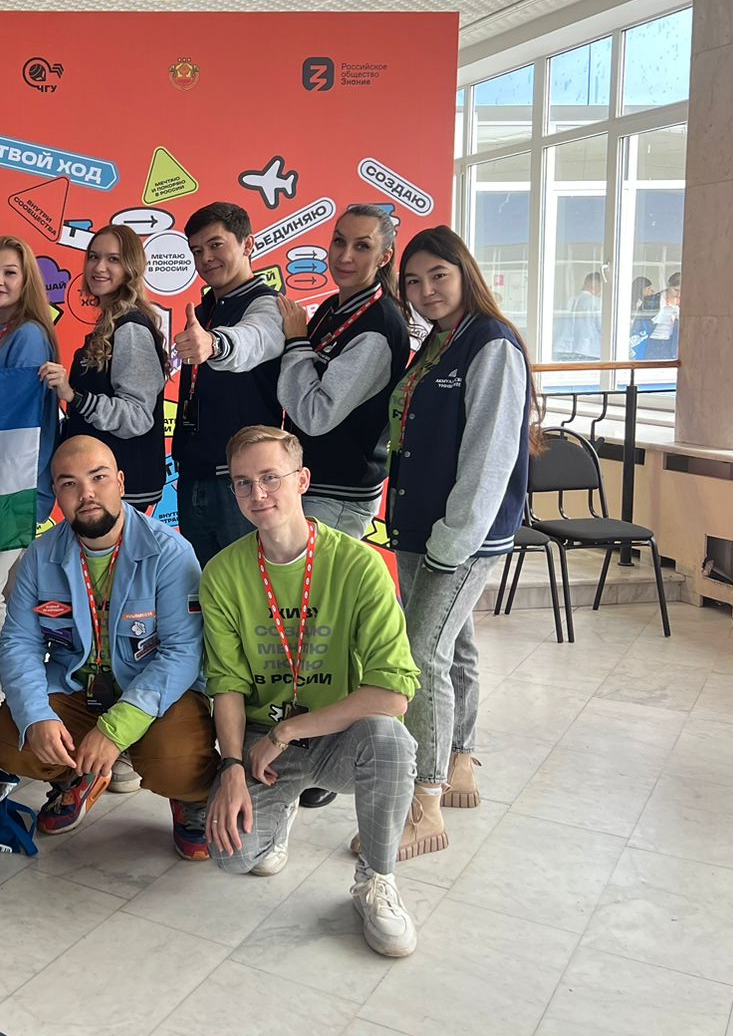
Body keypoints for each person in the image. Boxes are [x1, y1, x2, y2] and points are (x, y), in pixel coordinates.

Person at [201, 426, 420, 958]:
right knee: (232, 856)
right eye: (243, 483)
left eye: (270, 478)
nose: (257, 494)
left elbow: (393, 693)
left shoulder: (358, 565)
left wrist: (290, 729)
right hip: (264, 746)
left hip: (336, 735)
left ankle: (377, 881)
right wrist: (232, 767)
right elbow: (227, 685)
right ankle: (281, 811)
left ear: (302, 480)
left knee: (390, 740)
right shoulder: (223, 573)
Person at [0, 436, 217, 857]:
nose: (86, 494)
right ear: (56, 493)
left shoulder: (170, 552)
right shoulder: (39, 556)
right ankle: (75, 777)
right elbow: (19, 642)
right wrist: (36, 715)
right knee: (10, 741)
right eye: (69, 484)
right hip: (78, 687)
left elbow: (182, 652)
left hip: (154, 692)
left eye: (98, 478)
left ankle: (191, 800)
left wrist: (115, 731)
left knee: (179, 763)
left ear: (120, 481)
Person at [389, 225, 533, 859]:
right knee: (455, 643)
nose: (426, 291)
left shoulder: (491, 343)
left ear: (464, 272)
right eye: (414, 282)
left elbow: (489, 455)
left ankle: (424, 802)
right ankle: (460, 755)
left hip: (459, 537)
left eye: (438, 276)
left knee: (421, 655)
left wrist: (454, 541)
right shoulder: (438, 342)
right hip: (421, 526)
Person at [277, 205, 411, 540]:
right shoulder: (332, 307)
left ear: (384, 257)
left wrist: (296, 341)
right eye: (339, 241)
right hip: (310, 482)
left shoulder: (379, 324)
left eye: (362, 246)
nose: (345, 255)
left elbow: (316, 415)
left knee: (321, 577)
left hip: (339, 494)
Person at [0, 235, 61, 689]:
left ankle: (4, 699)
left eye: (9, 273)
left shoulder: (28, 335)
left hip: (13, 489)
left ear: (26, 281)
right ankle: (13, 696)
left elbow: (16, 421)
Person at [172, 201, 286, 565]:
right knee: (207, 588)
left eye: (216, 245)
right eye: (196, 250)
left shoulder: (269, 306)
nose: (205, 258)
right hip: (195, 475)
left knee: (251, 585)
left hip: (244, 482)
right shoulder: (203, 310)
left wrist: (214, 343)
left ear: (248, 244)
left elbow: (252, 339)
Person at [38, 225, 169, 512]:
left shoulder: (131, 328)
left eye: (113, 259)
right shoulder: (109, 325)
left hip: (122, 488)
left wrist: (74, 397)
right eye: (93, 257)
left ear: (131, 268)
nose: (99, 267)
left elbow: (137, 417)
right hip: (100, 484)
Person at [554, 271, 604, 361]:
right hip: (589, 351)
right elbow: (603, 328)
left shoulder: (570, 301)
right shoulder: (596, 302)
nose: (601, 292)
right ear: (594, 286)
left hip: (564, 349)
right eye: (601, 288)